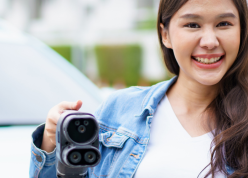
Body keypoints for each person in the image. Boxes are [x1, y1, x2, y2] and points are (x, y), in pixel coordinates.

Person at [29, 0, 248, 177]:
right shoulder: (120, 111)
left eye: (224, 24)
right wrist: (50, 141)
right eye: (192, 25)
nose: (210, 41)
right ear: (165, 35)